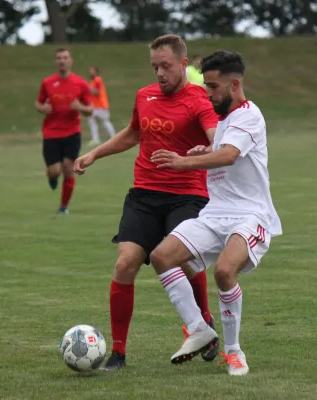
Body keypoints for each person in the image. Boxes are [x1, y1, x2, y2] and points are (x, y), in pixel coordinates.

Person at [74, 34, 219, 371]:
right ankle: (119, 353)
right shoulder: (145, 96)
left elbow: (219, 141)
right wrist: (94, 153)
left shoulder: (199, 100)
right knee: (125, 264)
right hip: (144, 194)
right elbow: (133, 134)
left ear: (183, 64)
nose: (159, 73)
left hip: (188, 194)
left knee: (182, 261)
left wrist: (204, 152)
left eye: (165, 66)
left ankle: (203, 323)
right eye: (155, 67)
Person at [148, 50, 282, 376]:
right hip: (215, 213)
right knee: (162, 256)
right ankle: (199, 329)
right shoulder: (223, 120)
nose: (208, 93)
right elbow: (221, 150)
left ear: (234, 84)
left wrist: (184, 161)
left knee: (224, 271)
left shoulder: (250, 115)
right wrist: (206, 149)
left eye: (213, 86)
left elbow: (230, 156)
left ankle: (234, 351)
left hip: (250, 215)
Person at [35, 48, 93, 215]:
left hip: (72, 132)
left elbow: (90, 109)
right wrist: (43, 108)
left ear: (71, 61)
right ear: (55, 62)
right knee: (55, 171)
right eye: (59, 58)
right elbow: (38, 104)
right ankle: (52, 177)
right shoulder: (47, 83)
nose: (62, 61)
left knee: (68, 169)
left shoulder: (81, 83)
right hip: (51, 133)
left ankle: (63, 207)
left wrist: (80, 107)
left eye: (65, 57)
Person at [87, 66, 116, 146]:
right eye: (90, 71)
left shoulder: (98, 80)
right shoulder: (92, 81)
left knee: (105, 121)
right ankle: (95, 139)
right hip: (95, 106)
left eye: (92, 70)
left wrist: (88, 88)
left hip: (101, 105)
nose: (90, 72)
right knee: (91, 121)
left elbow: (97, 92)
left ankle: (114, 137)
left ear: (96, 72)